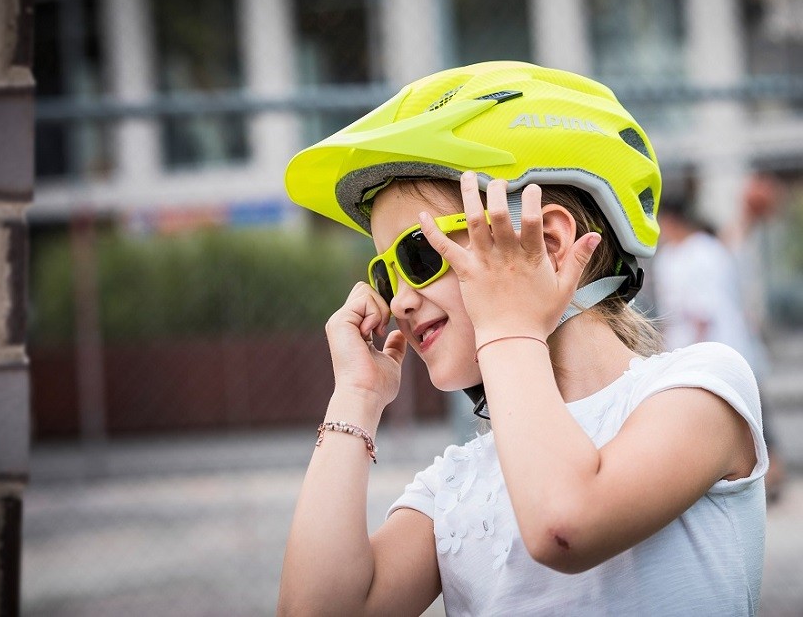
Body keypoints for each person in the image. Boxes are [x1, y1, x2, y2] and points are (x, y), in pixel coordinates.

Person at [278, 61, 768, 615]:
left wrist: (508, 323)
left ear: (549, 244)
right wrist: (356, 398)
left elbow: (566, 522)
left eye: (419, 254)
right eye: (385, 274)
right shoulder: (456, 484)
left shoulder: (701, 388)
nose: (398, 302)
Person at [654, 189, 786, 502]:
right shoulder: (679, 254)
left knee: (750, 417)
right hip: (699, 351)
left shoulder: (702, 251)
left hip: (717, 351)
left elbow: (703, 311)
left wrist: (690, 357)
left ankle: (771, 476)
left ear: (671, 221)